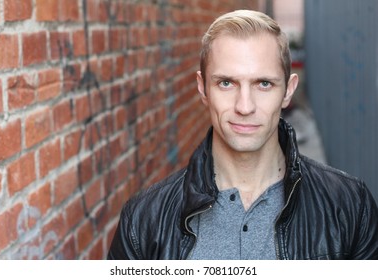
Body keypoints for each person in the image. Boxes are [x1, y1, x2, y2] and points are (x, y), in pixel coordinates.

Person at [107, 10, 378, 260]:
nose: (244, 106)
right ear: (203, 88)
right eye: (226, 83)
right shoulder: (143, 221)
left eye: (263, 84)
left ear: (287, 91)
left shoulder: (351, 206)